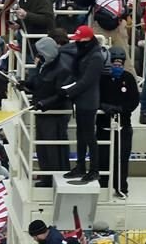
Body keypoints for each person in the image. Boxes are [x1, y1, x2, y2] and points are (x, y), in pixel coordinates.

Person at [24, 35, 72, 187]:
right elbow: (39, 82)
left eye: (40, 53)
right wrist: (26, 84)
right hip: (43, 113)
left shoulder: (62, 69)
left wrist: (44, 104)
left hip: (54, 114)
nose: (37, 56)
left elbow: (62, 95)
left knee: (53, 148)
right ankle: (46, 176)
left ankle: (54, 178)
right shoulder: (45, 65)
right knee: (42, 148)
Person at [60, 25, 105, 183]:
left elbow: (87, 81)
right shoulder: (85, 53)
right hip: (80, 100)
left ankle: (94, 169)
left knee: (89, 136)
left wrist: (68, 91)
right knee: (81, 134)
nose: (77, 43)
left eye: (79, 40)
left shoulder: (96, 57)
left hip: (89, 101)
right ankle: (80, 166)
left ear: (87, 40)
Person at [97, 45, 139, 197]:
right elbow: (95, 98)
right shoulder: (101, 78)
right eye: (114, 64)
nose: (117, 67)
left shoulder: (128, 78)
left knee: (122, 158)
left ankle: (121, 187)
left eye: (120, 64)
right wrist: (104, 107)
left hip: (123, 126)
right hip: (104, 126)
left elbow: (134, 100)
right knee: (103, 157)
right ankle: (102, 186)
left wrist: (121, 108)